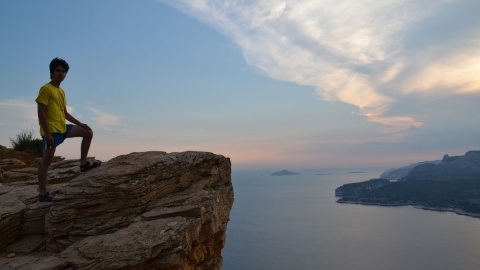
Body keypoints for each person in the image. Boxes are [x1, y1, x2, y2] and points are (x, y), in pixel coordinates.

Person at [36, 57, 101, 202]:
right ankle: (42, 193)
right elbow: (40, 112)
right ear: (52, 72)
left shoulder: (61, 91)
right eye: (58, 71)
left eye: (64, 71)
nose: (61, 73)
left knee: (88, 132)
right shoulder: (46, 89)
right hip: (51, 132)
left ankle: (83, 164)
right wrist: (47, 134)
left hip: (63, 128)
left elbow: (64, 113)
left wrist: (80, 123)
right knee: (46, 162)